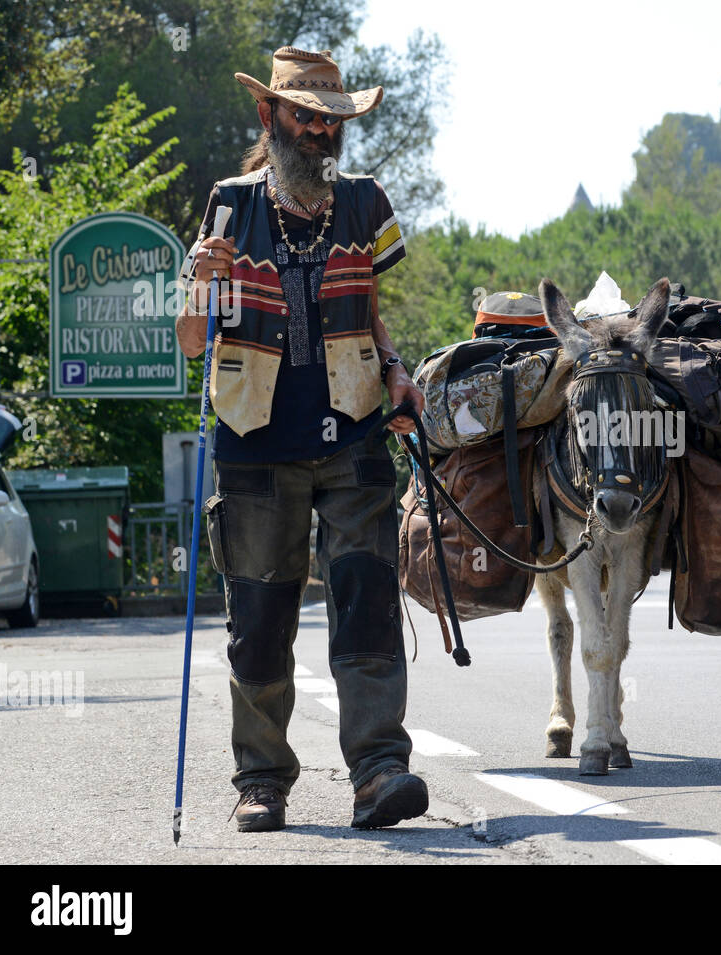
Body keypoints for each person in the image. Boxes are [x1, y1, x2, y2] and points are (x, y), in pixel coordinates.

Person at [176, 46, 426, 832]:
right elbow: (191, 340)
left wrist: (396, 370)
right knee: (260, 616)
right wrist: (197, 276)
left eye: (333, 120)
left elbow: (373, 310)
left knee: (367, 603)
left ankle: (379, 768)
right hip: (254, 438)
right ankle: (261, 779)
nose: (321, 131)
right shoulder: (229, 205)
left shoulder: (364, 204)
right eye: (306, 117)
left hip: (353, 431)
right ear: (270, 116)